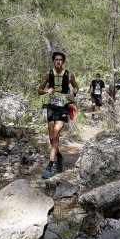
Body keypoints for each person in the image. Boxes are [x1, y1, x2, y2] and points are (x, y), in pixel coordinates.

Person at [37, 51, 79, 179]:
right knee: (52, 138)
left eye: (60, 59)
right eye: (56, 59)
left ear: (63, 61)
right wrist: (46, 91)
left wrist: (73, 94)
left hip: (63, 108)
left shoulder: (69, 74)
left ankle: (49, 166)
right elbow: (39, 91)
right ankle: (59, 156)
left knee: (56, 132)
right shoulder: (48, 74)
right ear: (53, 61)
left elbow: (76, 87)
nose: (58, 61)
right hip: (51, 107)